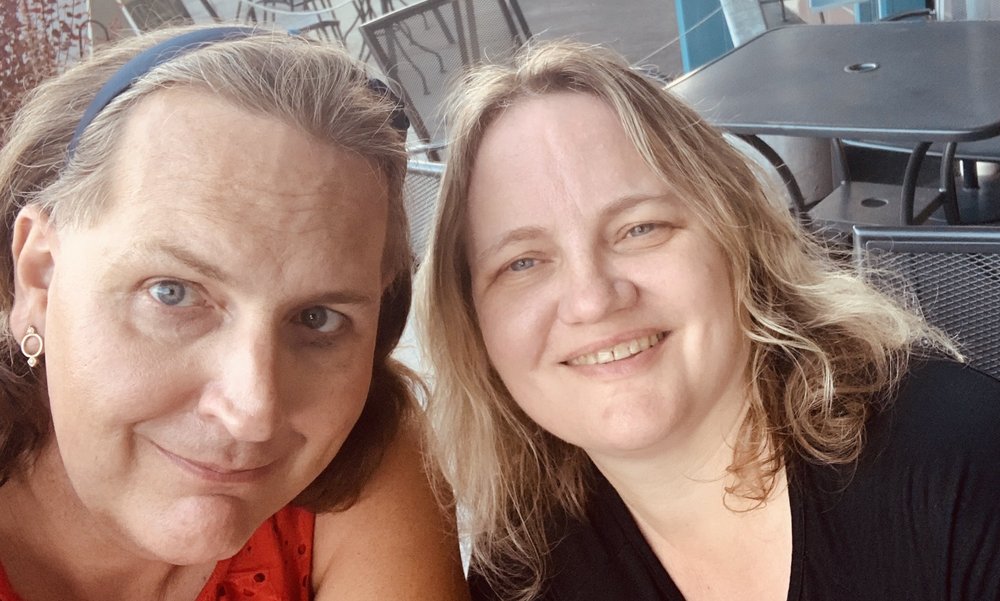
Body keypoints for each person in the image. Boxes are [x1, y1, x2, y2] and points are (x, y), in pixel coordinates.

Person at [415, 40, 1000, 601]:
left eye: (640, 228)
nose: (592, 300)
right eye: (522, 262)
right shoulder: (524, 570)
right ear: (473, 325)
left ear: (736, 238)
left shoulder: (958, 468)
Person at [0, 25, 469, 601]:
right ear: (39, 277)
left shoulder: (360, 469)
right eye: (172, 293)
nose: (253, 413)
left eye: (317, 318)